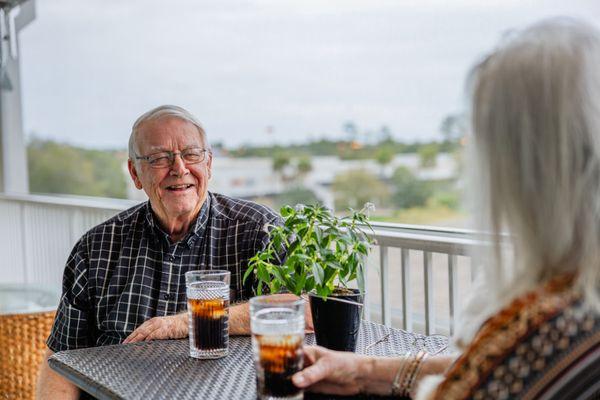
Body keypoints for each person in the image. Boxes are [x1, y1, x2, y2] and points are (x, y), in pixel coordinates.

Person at [292, 18, 600, 399]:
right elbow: (479, 361)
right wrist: (362, 369)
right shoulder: (563, 291)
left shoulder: (554, 326)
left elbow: (495, 368)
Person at [36, 105, 291, 399]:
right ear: (135, 173)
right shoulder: (96, 248)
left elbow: (304, 310)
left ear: (208, 163)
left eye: (191, 154)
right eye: (159, 158)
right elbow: (62, 359)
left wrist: (187, 322)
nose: (179, 168)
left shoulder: (261, 230)